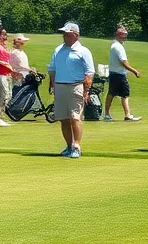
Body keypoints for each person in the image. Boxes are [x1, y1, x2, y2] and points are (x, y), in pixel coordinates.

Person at [47, 22, 95, 158]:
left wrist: (86, 90)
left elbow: (89, 72)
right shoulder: (58, 50)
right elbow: (52, 69)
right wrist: (52, 85)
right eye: (64, 34)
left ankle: (77, 146)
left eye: (68, 34)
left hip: (76, 86)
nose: (65, 36)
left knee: (75, 118)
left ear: (76, 35)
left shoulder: (83, 51)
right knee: (63, 119)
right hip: (60, 86)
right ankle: (69, 146)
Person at [103, 26, 142, 122]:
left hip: (113, 74)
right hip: (119, 74)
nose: (126, 37)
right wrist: (134, 71)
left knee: (111, 94)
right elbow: (123, 62)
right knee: (125, 95)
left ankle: (107, 114)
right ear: (119, 35)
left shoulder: (114, 45)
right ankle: (127, 115)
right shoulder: (118, 47)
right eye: (124, 35)